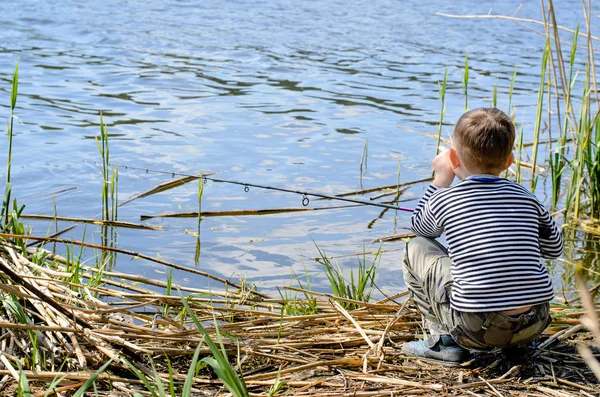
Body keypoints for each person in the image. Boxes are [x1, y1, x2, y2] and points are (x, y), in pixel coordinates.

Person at [401, 107, 563, 365]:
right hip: (535, 323)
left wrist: (441, 180)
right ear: (509, 161)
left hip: (474, 329)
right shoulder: (527, 198)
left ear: (453, 159)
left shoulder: (447, 198)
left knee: (416, 247)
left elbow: (421, 228)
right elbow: (555, 248)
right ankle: (518, 345)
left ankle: (444, 342)